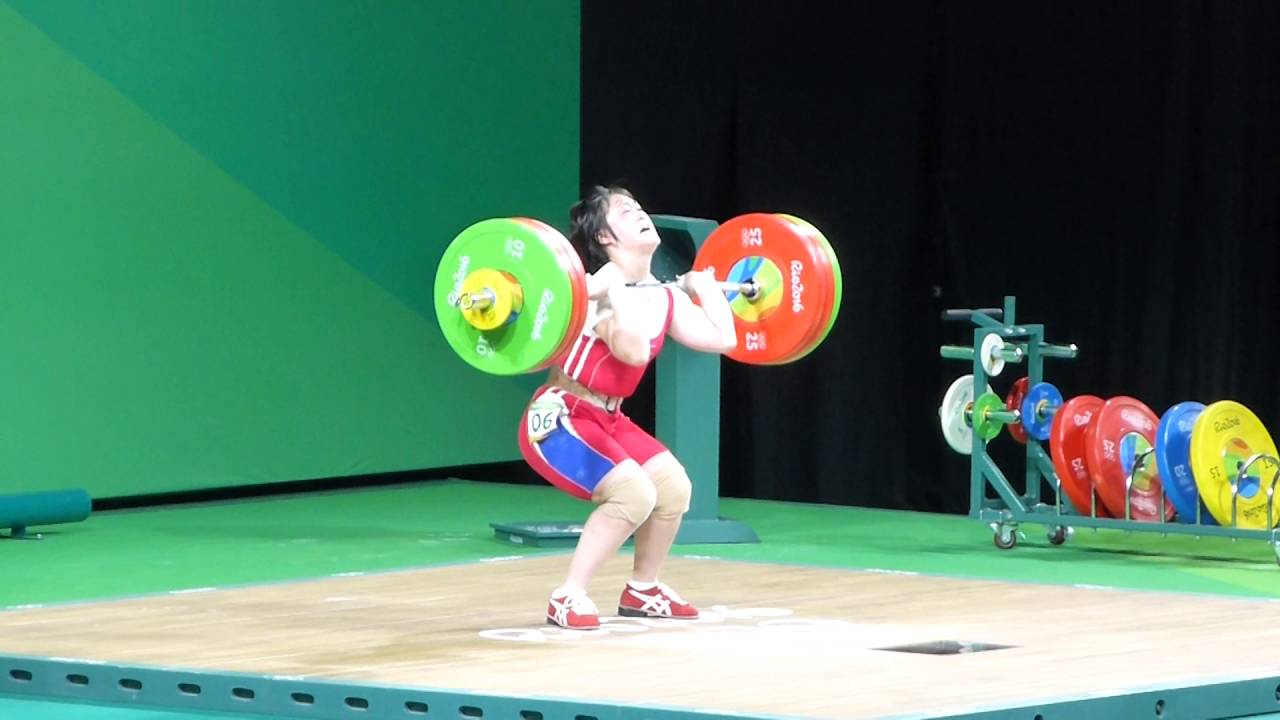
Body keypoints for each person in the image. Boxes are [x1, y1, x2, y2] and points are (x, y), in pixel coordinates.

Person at [517, 185, 738, 630]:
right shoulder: (593, 294)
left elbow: (724, 339)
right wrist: (614, 291)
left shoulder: (664, 296)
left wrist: (703, 287)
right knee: (634, 493)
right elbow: (633, 352)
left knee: (673, 488)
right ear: (603, 237)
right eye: (624, 210)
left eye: (639, 206)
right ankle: (568, 595)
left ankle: (643, 588)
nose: (640, 213)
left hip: (608, 417)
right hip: (559, 419)